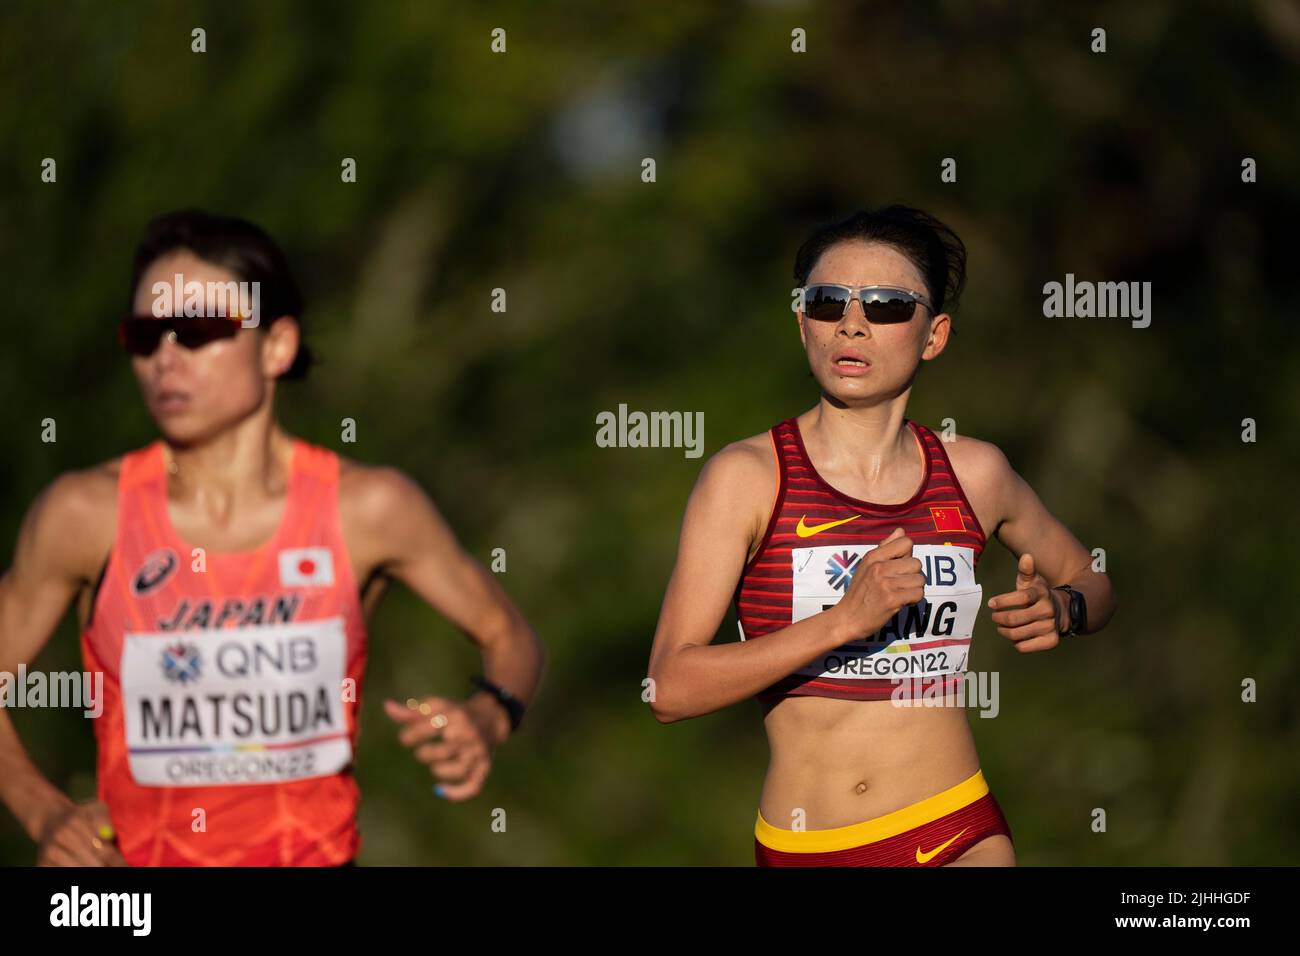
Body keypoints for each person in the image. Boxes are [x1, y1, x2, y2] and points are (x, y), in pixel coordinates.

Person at [0, 209, 543, 866]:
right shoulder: (85, 515)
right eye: (144, 335)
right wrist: (46, 812)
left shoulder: (367, 507)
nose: (166, 358)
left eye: (197, 330)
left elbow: (507, 634)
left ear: (277, 346)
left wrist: (487, 717)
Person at [647, 205, 1115, 866]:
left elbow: (1094, 579)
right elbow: (669, 688)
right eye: (827, 301)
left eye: (889, 305)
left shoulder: (976, 473)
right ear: (801, 320)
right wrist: (842, 621)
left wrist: (1064, 609)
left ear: (935, 335)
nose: (852, 323)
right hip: (810, 845)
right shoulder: (746, 477)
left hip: (957, 826)